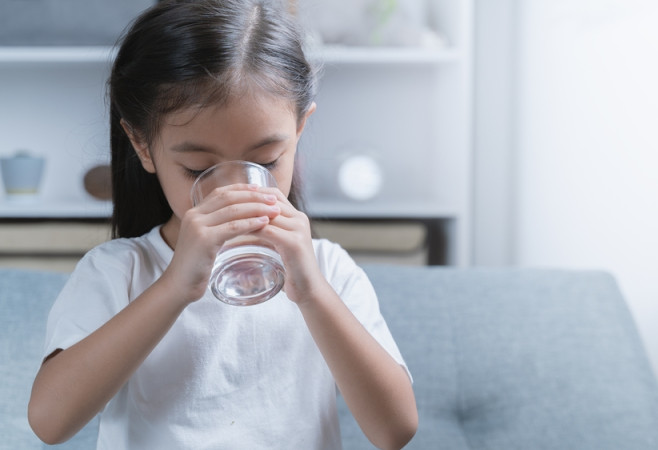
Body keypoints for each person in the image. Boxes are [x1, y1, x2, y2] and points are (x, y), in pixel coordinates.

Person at [27, 1, 418, 449]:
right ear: (143, 146)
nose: (235, 189)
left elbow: (395, 430)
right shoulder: (120, 272)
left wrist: (312, 292)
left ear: (299, 130)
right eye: (198, 169)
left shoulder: (328, 269)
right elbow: (49, 423)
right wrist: (175, 286)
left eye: (266, 161)